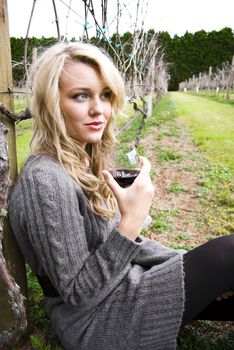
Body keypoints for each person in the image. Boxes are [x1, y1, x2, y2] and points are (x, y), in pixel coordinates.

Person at [8, 42, 234, 350]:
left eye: (105, 95)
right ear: (51, 103)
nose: (98, 109)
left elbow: (125, 250)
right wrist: (131, 222)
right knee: (227, 253)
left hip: (125, 284)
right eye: (80, 95)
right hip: (96, 319)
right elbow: (77, 293)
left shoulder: (82, 162)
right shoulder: (44, 181)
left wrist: (186, 261)